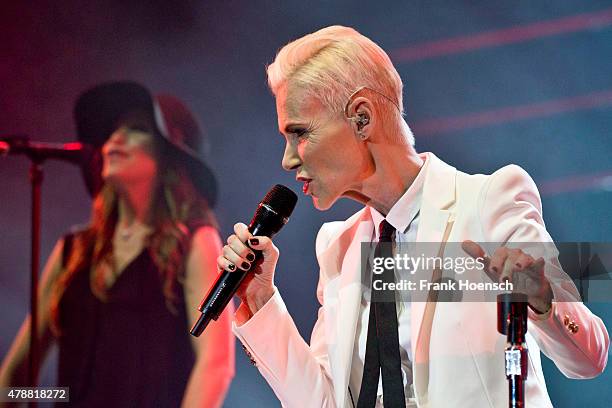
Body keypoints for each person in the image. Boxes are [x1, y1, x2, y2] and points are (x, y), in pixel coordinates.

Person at [218, 26, 609, 407]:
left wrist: (542, 303)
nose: (288, 160)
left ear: (362, 118)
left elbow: (589, 357)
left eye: (299, 133)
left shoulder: (487, 201)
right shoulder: (339, 247)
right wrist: (261, 298)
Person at [0, 81, 234, 407]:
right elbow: (14, 377)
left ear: (170, 158)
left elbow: (216, 363)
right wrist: (53, 397)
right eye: (112, 130)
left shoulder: (195, 242)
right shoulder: (74, 251)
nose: (115, 138)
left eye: (137, 129)